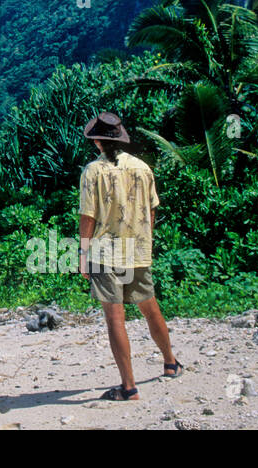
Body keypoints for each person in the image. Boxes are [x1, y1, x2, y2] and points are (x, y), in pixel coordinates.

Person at [78, 111, 181, 401]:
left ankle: (129, 386)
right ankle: (170, 362)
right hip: (137, 250)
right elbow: (151, 210)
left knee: (115, 319)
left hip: (105, 252)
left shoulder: (92, 171)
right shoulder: (142, 168)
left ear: (97, 142)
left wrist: (83, 254)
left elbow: (88, 216)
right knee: (150, 308)